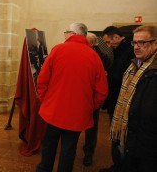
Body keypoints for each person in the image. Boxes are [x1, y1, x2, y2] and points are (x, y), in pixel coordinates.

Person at [36, 23, 108, 172]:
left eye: (66, 32)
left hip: (54, 111)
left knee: (49, 145)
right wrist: (89, 107)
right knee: (69, 149)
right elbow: (102, 91)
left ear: (72, 33)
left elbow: (42, 80)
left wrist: (46, 101)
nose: (65, 35)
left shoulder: (58, 50)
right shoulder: (94, 57)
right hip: (77, 114)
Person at [110, 25, 157, 172]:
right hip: (130, 134)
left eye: (143, 43)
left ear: (155, 44)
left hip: (147, 142)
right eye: (135, 43)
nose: (137, 47)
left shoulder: (153, 71)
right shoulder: (134, 65)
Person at [100, 26, 135, 172]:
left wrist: (107, 76)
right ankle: (117, 166)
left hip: (122, 101)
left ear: (116, 37)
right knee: (115, 135)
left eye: (109, 42)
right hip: (115, 99)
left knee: (121, 138)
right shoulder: (118, 49)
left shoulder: (129, 50)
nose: (108, 46)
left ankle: (120, 167)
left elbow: (126, 78)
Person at [82, 32, 111, 166]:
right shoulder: (81, 53)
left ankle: (88, 153)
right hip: (80, 96)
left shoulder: (102, 57)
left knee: (92, 127)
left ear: (92, 43)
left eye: (85, 41)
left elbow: (102, 80)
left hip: (92, 98)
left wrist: (96, 103)